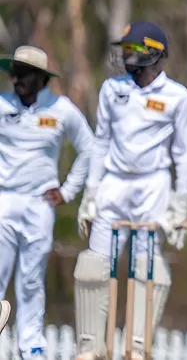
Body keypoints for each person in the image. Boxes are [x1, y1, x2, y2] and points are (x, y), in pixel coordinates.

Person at [73, 21, 187, 360]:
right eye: (124, 48)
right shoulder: (112, 89)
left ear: (156, 54)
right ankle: (89, 347)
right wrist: (90, 195)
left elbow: (184, 156)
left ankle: (137, 349)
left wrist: (180, 209)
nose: (126, 55)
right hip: (113, 181)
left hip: (153, 185)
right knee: (93, 265)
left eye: (133, 48)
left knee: (147, 270)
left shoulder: (177, 97)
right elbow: (100, 143)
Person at [0, 46, 94, 359]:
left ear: (41, 78)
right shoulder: (2, 105)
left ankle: (32, 347)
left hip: (40, 205)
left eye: (24, 74)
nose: (16, 79)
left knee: (30, 280)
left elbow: (89, 149)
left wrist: (67, 192)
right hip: (4, 201)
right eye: (14, 72)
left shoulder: (61, 109)